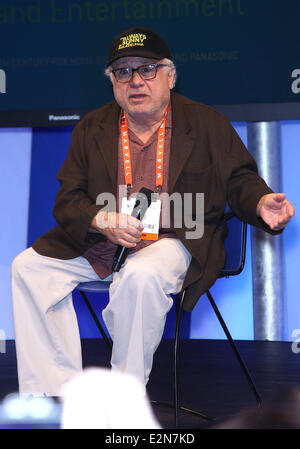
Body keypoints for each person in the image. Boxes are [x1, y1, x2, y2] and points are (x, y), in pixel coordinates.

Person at [11, 27, 294, 398]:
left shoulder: (206, 124)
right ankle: (55, 397)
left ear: (170, 76)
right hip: (105, 241)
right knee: (28, 268)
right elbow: (67, 199)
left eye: (147, 69)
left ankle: (125, 400)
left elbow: (239, 179)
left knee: (140, 277)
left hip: (175, 237)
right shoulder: (91, 128)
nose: (135, 81)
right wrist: (100, 220)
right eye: (123, 72)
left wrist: (259, 202)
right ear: (113, 83)